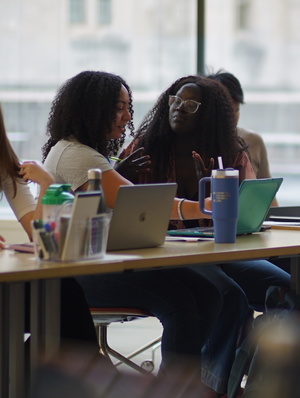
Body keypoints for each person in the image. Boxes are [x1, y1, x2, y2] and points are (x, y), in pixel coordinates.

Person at [40, 70, 248, 395]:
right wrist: (203, 207)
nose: (127, 117)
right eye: (119, 108)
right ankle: (176, 391)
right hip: (83, 273)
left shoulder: (86, 153)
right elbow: (132, 199)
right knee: (180, 302)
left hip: (108, 261)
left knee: (209, 293)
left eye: (128, 107)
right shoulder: (77, 154)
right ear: (93, 108)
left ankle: (190, 384)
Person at [120, 74, 290, 397]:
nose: (179, 109)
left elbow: (246, 211)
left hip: (220, 250)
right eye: (175, 100)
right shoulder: (145, 148)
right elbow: (119, 199)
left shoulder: (228, 153)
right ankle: (213, 387)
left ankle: (255, 382)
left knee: (284, 289)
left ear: (208, 114)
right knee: (231, 298)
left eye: (191, 104)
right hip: (170, 254)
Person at [0, 104, 99, 350]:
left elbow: (38, 235)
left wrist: (47, 182)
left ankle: (24, 377)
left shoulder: (5, 164)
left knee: (64, 292)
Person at [206, 70, 278, 206]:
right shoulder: (193, 144)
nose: (232, 118)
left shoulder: (253, 141)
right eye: (226, 112)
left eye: (236, 110)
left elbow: (268, 199)